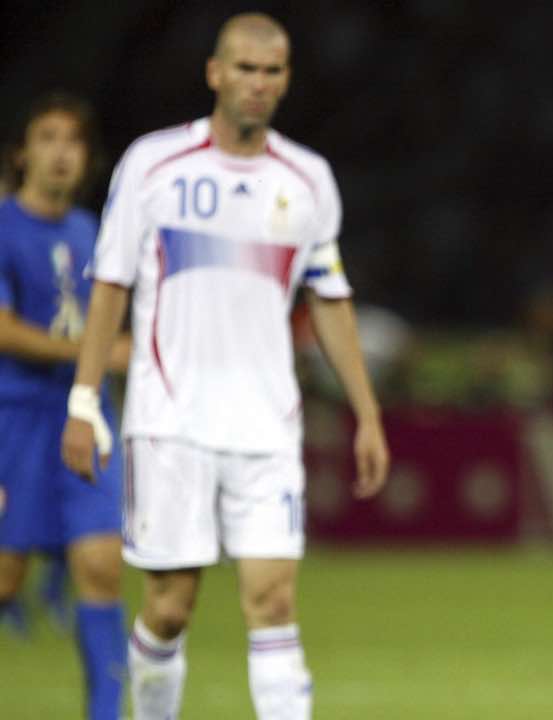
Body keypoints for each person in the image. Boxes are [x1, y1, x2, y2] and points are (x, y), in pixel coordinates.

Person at [60, 13, 390, 720]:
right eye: (245, 68)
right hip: (169, 422)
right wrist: (84, 402)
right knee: (170, 608)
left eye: (272, 71)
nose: (258, 84)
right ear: (215, 73)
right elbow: (111, 284)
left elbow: (329, 300)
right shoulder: (154, 164)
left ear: (286, 80)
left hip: (267, 425)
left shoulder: (307, 181)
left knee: (273, 601)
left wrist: (366, 412)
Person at [0, 92, 131, 720]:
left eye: (72, 141)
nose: (60, 151)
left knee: (102, 566)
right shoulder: (1, 227)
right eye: (47, 137)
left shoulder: (92, 232)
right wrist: (96, 349)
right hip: (15, 419)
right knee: (4, 578)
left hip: (84, 416)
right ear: (23, 152)